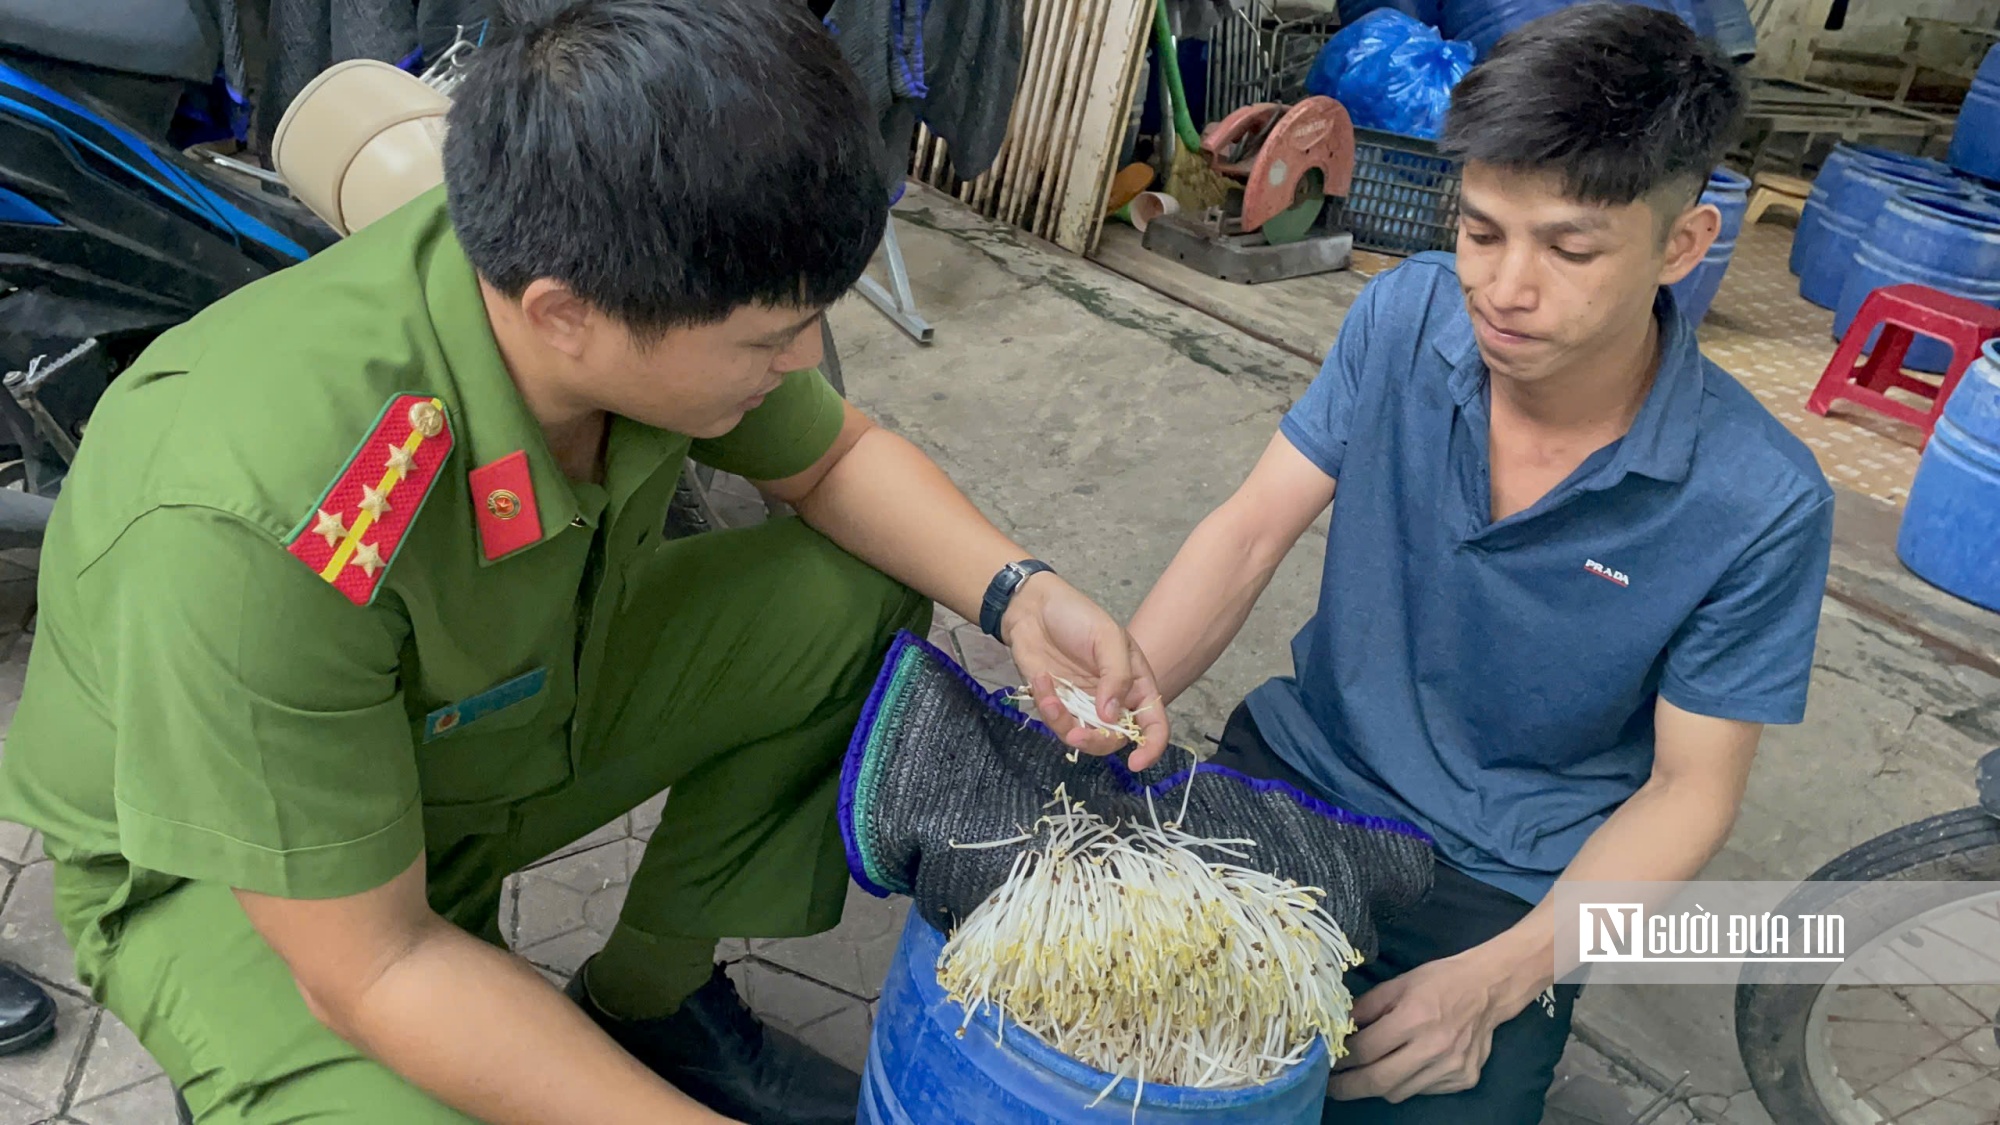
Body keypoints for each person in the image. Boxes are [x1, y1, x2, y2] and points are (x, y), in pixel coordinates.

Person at [0, 2, 1167, 1123]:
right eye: (768, 337)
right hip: (242, 868)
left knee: (847, 591)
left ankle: (651, 1001)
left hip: (480, 725)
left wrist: (1021, 594)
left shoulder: (605, 267)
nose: (804, 356)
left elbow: (831, 462)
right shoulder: (264, 524)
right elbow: (374, 963)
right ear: (568, 314)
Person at [1126, 6, 1832, 1122]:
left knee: (1418, 1090)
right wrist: (1118, 704)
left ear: (1681, 246)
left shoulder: (1756, 498)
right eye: (1480, 230)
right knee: (1132, 1053)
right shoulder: (1404, 317)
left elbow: (1688, 790)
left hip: (1509, 885)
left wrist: (1501, 977)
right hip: (1305, 772)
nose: (1504, 288)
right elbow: (1252, 526)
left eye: (1567, 248)